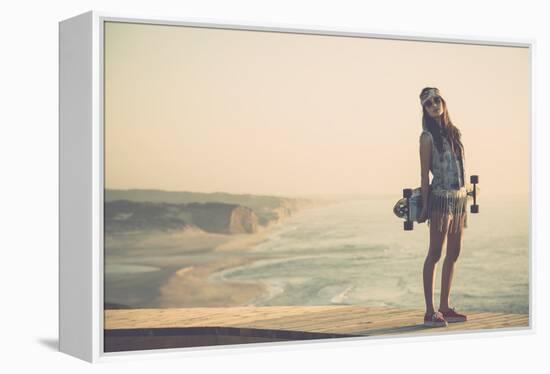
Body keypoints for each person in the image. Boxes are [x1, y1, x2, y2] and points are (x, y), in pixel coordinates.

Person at [417, 87, 469, 327]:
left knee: (454, 253)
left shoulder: (454, 133)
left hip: (459, 200)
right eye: (429, 103)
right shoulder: (426, 137)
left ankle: (445, 307)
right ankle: (430, 312)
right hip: (440, 199)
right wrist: (425, 207)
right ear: (425, 110)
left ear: (443, 102)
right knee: (435, 253)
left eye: (437, 100)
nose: (434, 105)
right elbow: (423, 176)